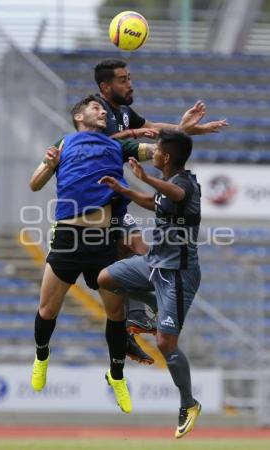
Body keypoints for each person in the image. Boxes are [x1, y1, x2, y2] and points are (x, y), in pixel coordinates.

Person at [29, 95, 158, 394]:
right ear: (78, 116)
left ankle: (116, 375)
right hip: (68, 237)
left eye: (103, 109)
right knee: (47, 310)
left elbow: (154, 152)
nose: (103, 111)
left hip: (103, 241)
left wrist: (180, 133)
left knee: (116, 314)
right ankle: (41, 356)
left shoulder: (117, 145)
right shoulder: (64, 143)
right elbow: (34, 183)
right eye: (96, 108)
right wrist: (49, 165)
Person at [93, 59, 227, 336]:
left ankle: (138, 315)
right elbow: (97, 142)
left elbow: (153, 127)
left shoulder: (124, 111)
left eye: (129, 78)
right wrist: (140, 137)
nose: (130, 84)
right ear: (105, 87)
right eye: (122, 80)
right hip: (94, 200)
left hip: (114, 198)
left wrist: (186, 130)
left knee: (137, 251)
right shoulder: (96, 110)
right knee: (119, 260)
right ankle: (140, 312)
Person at [98, 129, 202, 438]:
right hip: (153, 265)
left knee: (165, 344)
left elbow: (175, 196)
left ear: (166, 158)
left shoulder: (185, 184)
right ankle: (148, 312)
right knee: (105, 279)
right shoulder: (167, 185)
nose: (152, 152)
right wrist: (124, 188)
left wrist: (144, 177)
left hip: (178, 275)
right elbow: (154, 201)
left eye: (156, 150)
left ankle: (188, 403)